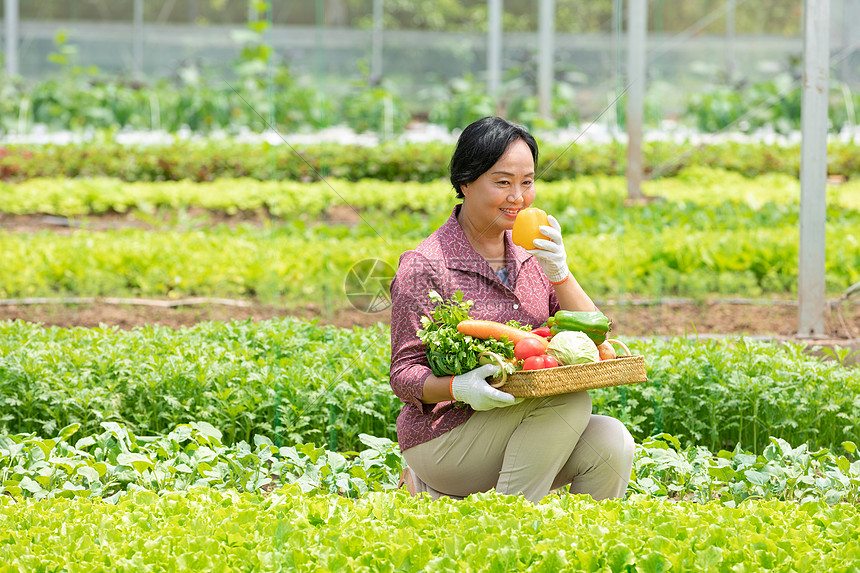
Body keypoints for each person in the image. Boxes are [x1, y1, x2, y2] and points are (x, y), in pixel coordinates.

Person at [389, 116, 634, 504]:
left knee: (612, 441)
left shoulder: (532, 255)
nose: (518, 197)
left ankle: (579, 550)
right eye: (502, 182)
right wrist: (459, 387)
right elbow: (403, 374)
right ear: (465, 182)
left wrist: (561, 274)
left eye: (527, 182)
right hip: (445, 438)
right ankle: (506, 532)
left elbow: (594, 337)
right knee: (568, 401)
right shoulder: (426, 265)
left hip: (520, 424)